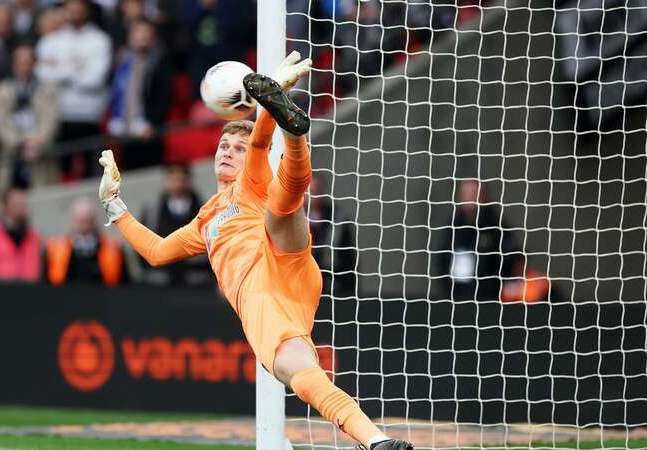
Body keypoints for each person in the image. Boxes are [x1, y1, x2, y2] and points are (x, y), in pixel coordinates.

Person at [97, 53, 413, 450]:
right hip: (269, 300)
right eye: (223, 144)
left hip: (282, 259)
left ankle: (295, 135)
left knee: (281, 205)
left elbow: (261, 142)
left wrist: (271, 96)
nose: (228, 151)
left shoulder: (249, 181)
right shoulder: (205, 220)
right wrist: (115, 207)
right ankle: (378, 441)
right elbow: (158, 252)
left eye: (237, 147)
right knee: (302, 374)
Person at [35, 0, 111, 154]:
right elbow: (42, 74)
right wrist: (76, 69)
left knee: (93, 170)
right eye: (71, 6)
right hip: (59, 114)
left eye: (79, 6)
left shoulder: (100, 40)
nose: (75, 10)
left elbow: (95, 80)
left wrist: (59, 69)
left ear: (87, 10)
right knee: (63, 169)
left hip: (90, 115)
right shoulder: (52, 40)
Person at [434, 179, 522, 302]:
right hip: (455, 298)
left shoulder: (497, 229)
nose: (468, 199)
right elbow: (441, 260)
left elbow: (511, 262)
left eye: (473, 194)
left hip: (489, 300)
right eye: (465, 195)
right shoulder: (453, 227)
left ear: (483, 196)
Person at [0, 44, 59, 193]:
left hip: (40, 156)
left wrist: (36, 143)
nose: (24, 68)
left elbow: (51, 121)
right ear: (14, 65)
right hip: (11, 158)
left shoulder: (47, 89)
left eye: (28, 62)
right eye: (20, 63)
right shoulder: (3, 91)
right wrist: (20, 143)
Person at [107, 19, 172, 168]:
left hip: (148, 130)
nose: (143, 36)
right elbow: (115, 92)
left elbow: (164, 97)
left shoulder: (159, 62)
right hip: (124, 129)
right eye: (138, 32)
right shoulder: (121, 62)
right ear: (130, 36)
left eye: (147, 32)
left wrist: (152, 122)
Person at [140, 163, 212, 286]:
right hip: (160, 283)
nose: (177, 183)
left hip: (198, 282)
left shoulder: (207, 212)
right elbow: (142, 244)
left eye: (181, 179)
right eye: (173, 179)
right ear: (166, 181)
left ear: (189, 181)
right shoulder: (152, 213)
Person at [45, 198, 127, 287]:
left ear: (93, 220)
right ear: (73, 220)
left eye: (86, 219)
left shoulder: (113, 248)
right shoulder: (55, 249)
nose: (83, 223)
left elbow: (124, 283)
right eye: (79, 219)